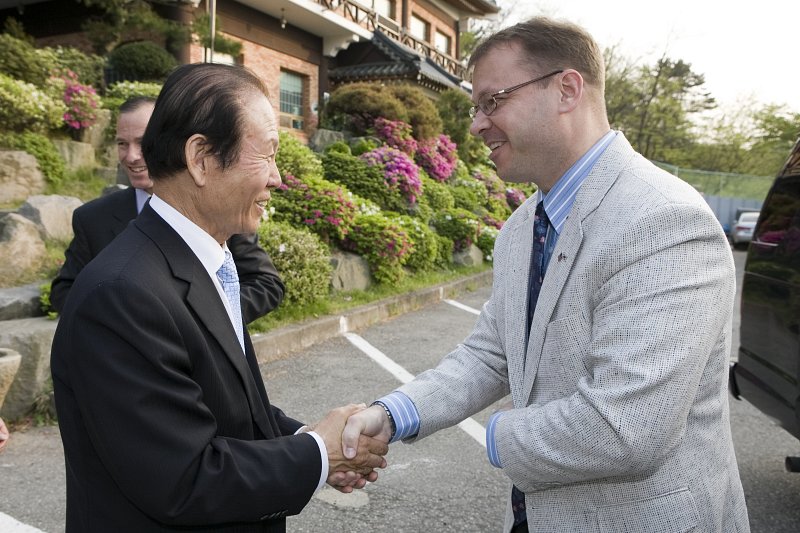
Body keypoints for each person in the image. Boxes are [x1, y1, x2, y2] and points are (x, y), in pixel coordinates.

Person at [343, 16, 750, 533]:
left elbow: (624, 430)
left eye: (493, 101)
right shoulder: (521, 227)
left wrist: (497, 434)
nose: (475, 125)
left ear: (566, 89)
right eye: (475, 107)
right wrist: (392, 413)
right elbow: (492, 351)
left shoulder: (665, 222)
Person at [51, 63, 387, 532]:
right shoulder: (122, 294)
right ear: (201, 158)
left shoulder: (207, 261)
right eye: (267, 156)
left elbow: (226, 407)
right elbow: (181, 478)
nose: (277, 178)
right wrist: (317, 453)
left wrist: (309, 440)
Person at [49, 96, 285, 322]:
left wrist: (205, 321)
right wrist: (122, 320)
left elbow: (265, 284)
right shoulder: (92, 217)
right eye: (122, 144)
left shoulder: (218, 209)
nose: (131, 156)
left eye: (142, 143)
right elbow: (64, 291)